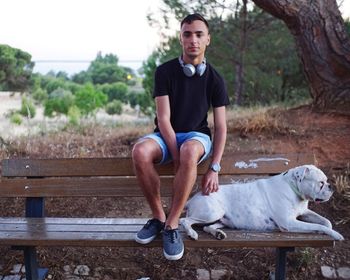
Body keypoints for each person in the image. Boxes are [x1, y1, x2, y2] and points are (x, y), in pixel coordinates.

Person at [132, 13, 229, 261]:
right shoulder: (164, 72)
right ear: (180, 38)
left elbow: (220, 127)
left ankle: (172, 225)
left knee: (189, 150)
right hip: (167, 135)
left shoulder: (215, 78)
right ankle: (158, 217)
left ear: (208, 39)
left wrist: (214, 167)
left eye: (199, 34)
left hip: (197, 136)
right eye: (187, 34)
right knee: (140, 152)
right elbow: (163, 119)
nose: (193, 40)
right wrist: (174, 154)